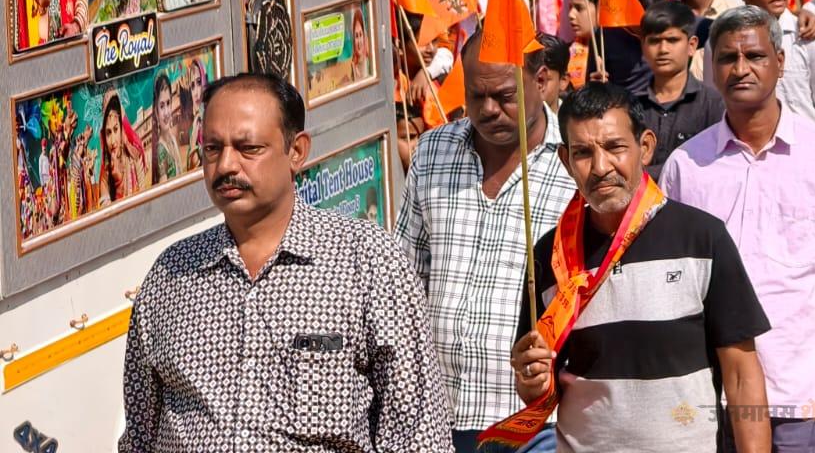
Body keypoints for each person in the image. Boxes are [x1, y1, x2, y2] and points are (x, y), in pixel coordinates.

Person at [121, 73, 450, 452]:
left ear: (296, 151)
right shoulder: (172, 274)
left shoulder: (365, 260)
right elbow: (140, 434)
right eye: (212, 148)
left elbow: (418, 432)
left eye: (248, 148)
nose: (226, 165)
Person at [662, 7, 815, 453]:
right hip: (709, 395)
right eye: (728, 58)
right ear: (711, 68)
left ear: (779, 63)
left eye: (755, 56)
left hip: (795, 389)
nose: (741, 68)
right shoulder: (686, 166)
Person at [509, 82, 772, 453]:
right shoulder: (550, 256)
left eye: (615, 147)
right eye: (583, 153)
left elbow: (742, 375)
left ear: (645, 147)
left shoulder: (702, 239)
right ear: (566, 162)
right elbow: (537, 386)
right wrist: (531, 381)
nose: (601, 167)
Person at [396, 31, 572, 453]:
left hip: (536, 421)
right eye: (477, 95)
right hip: (437, 416)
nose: (489, 109)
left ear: (540, 81)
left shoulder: (574, 161)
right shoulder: (433, 151)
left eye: (505, 96)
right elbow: (404, 276)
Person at [635, 0, 724, 176]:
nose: (663, 49)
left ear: (691, 46)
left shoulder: (714, 105)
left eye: (672, 40)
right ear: (643, 46)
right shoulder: (629, 106)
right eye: (654, 41)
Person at [98, 90, 147, 204]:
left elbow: (144, 198)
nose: (113, 141)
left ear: (122, 129)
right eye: (108, 133)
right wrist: (118, 184)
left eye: (116, 129)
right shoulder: (105, 176)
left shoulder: (134, 158)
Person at [150, 71, 183, 185]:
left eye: (168, 103)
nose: (167, 112)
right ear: (156, 111)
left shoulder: (172, 139)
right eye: (162, 106)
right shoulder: (161, 150)